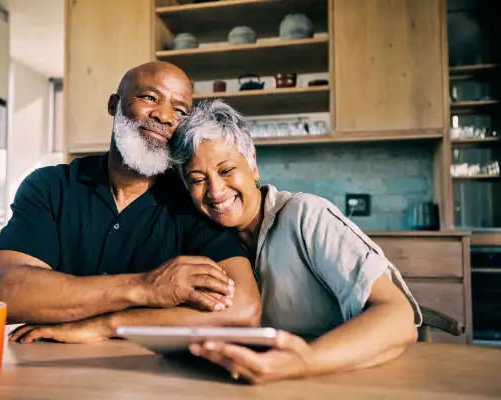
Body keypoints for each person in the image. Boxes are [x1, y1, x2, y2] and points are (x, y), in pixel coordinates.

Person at [0, 62, 261, 344]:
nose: (164, 116)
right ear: (113, 105)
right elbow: (7, 292)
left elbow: (244, 309)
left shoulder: (192, 201)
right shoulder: (50, 187)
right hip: (45, 369)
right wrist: (145, 287)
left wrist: (110, 324)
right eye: (149, 98)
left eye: (179, 111)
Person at [169, 99, 422, 384]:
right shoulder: (205, 242)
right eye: (197, 179)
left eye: (226, 170)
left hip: (344, 379)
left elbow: (399, 318)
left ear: (252, 166)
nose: (215, 191)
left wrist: (304, 361)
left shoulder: (305, 215)